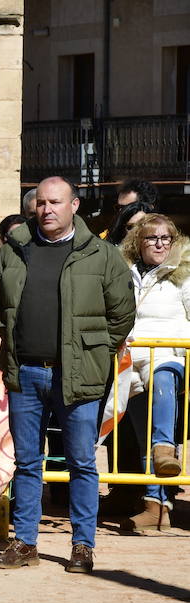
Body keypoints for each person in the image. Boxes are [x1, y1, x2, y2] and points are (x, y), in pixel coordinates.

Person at [0, 176, 135, 573]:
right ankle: (25, 543)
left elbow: (122, 313)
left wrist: (96, 353)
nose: (47, 209)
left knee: (82, 462)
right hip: (27, 373)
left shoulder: (102, 255)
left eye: (55, 202)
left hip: (79, 375)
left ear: (74, 206)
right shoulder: (13, 251)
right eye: (41, 203)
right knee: (27, 462)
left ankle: (83, 545)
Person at [117, 215, 190, 531]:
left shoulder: (183, 276)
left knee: (163, 382)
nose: (160, 244)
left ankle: (165, 448)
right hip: (132, 362)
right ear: (138, 242)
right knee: (141, 434)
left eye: (166, 238)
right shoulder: (125, 274)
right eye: (152, 238)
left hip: (169, 354)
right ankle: (155, 508)